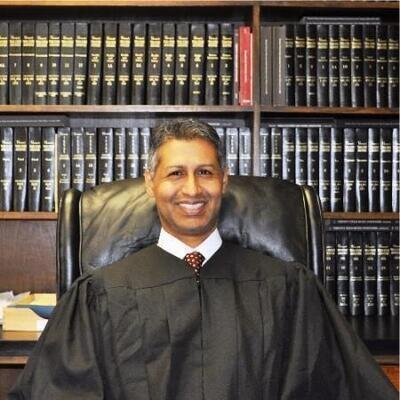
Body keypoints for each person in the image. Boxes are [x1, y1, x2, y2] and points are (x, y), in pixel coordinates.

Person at [9, 119, 397, 399]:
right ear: (151, 183)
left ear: (223, 181)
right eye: (176, 173)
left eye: (205, 172)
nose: (192, 189)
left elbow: (336, 385)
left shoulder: (287, 288)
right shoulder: (100, 295)